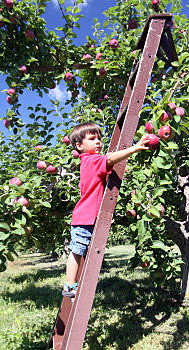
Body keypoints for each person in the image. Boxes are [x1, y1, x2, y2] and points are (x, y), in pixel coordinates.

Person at [62, 122, 152, 298]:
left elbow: (108, 163)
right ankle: (69, 285)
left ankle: (73, 284)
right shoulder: (89, 160)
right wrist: (134, 148)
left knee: (82, 251)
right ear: (79, 146)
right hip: (85, 218)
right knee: (77, 249)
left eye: (99, 139)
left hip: (88, 217)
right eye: (92, 139)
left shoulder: (92, 161)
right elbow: (109, 159)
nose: (98, 142)